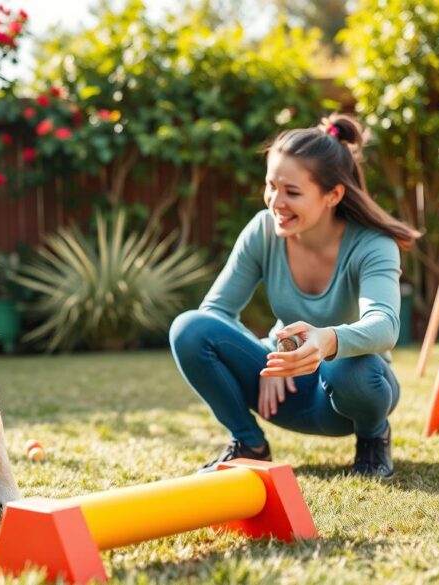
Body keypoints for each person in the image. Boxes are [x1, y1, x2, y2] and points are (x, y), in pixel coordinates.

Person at [168, 113, 420, 479]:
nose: (276, 202)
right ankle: (248, 442)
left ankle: (372, 438)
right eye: (271, 186)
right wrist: (272, 356)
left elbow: (385, 326)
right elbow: (217, 312)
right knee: (189, 328)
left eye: (293, 192)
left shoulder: (373, 245)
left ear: (333, 195)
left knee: (349, 364)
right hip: (281, 387)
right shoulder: (262, 231)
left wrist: (326, 341)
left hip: (349, 396)